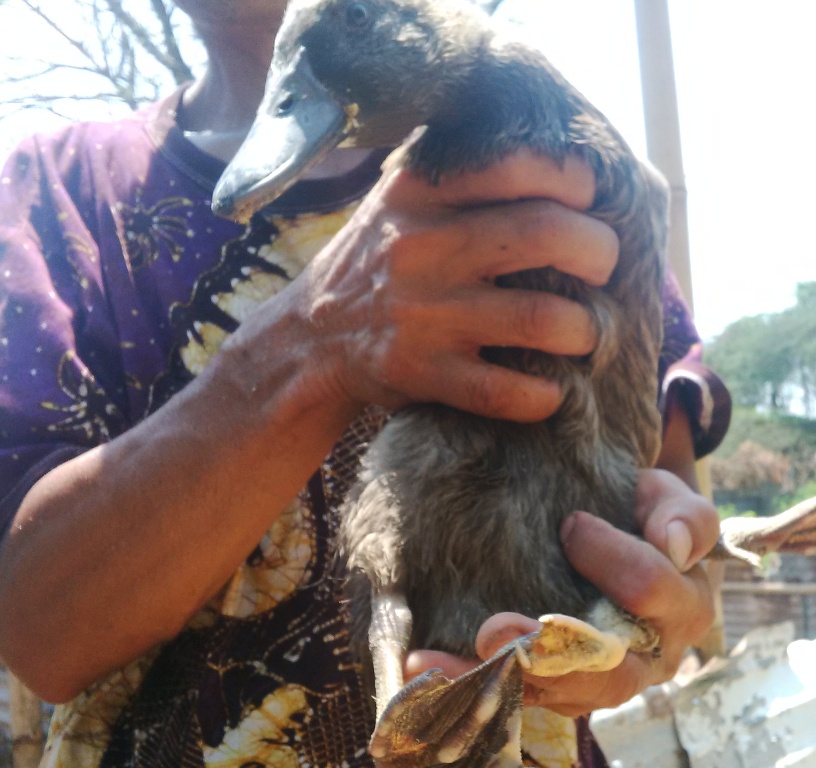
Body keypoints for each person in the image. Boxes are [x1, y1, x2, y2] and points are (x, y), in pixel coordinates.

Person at [0, 1, 730, 766]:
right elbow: (38, 633)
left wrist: (653, 614)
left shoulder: (568, 171)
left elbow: (677, 528)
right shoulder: (59, 191)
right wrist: (311, 344)